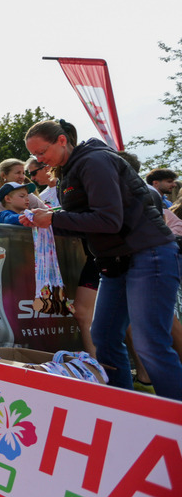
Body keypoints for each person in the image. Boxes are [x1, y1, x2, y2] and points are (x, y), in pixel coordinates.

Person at [22, 119, 182, 400]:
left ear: (62, 141)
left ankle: (173, 416)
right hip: (114, 262)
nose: (38, 160)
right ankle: (124, 407)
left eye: (41, 152)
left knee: (150, 343)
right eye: (34, 155)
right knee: (105, 338)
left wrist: (54, 218)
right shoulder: (69, 171)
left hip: (148, 253)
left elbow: (108, 219)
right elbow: (92, 220)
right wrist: (46, 219)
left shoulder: (94, 162)